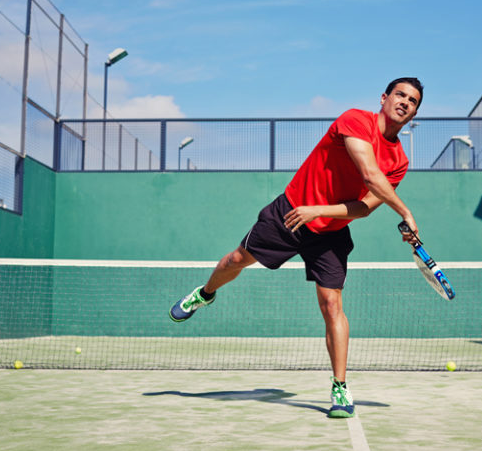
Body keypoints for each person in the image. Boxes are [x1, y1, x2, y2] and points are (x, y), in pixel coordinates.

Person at [170, 77, 423, 418]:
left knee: (332, 305)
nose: (405, 102)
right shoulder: (355, 121)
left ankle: (340, 387)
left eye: (413, 101)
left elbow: (364, 206)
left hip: (330, 229)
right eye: (400, 95)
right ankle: (205, 293)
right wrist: (406, 212)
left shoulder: (400, 161)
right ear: (384, 98)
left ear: (415, 113)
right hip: (289, 213)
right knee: (235, 259)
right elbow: (368, 175)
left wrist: (320, 210)